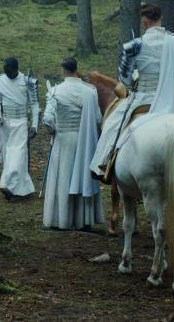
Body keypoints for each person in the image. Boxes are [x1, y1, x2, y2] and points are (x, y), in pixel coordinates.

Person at [90, 4, 174, 176]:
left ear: (144, 21)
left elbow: (125, 79)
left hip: (143, 99)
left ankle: (105, 163)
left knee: (112, 126)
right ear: (160, 19)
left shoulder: (135, 46)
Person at [41, 58, 103, 230]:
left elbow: (47, 119)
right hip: (85, 142)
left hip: (64, 139)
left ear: (63, 71)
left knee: (63, 178)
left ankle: (62, 220)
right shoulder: (90, 91)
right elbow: (98, 119)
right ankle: (83, 220)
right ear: (77, 69)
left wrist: (53, 131)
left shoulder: (56, 91)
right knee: (83, 178)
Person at [0, 57, 39, 201]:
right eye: (5, 71)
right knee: (8, 155)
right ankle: (24, 190)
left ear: (16, 69)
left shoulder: (27, 81)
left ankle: (8, 185)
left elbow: (35, 105)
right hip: (5, 123)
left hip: (21, 122)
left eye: (10, 71)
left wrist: (35, 125)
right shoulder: (1, 80)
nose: (8, 74)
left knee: (17, 154)